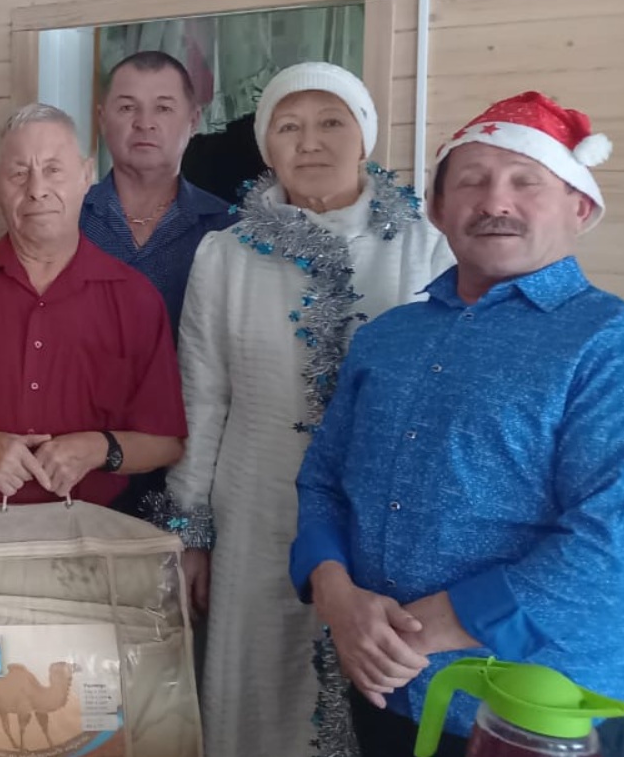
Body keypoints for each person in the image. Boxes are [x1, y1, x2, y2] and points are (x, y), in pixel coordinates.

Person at [291, 91, 624, 757]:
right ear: (439, 209)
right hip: (390, 694)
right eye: (473, 180)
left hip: (534, 717)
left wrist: (417, 632)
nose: (495, 201)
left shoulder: (610, 344)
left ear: (580, 207)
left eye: (525, 181)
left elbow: (615, 545)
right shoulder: (387, 338)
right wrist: (334, 594)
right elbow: (323, 480)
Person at [161, 63, 452, 757]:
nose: (311, 141)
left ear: (365, 136)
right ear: (267, 146)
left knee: (376, 689)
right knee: (259, 686)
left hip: (385, 515)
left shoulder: (426, 247)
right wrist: (191, 533)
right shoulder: (225, 255)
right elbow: (202, 397)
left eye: (331, 122)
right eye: (288, 126)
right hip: (255, 504)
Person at [0, 103, 186, 516]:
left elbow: (166, 440)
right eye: (18, 174)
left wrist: (99, 448)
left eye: (53, 169)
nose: (37, 189)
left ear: (86, 176)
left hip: (88, 535)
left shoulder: (135, 299)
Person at [80, 51, 237, 520]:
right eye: (128, 107)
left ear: (193, 120)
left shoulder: (228, 231)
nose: (144, 123)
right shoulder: (67, 218)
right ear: (102, 117)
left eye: (163, 108)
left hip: (193, 462)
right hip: (78, 459)